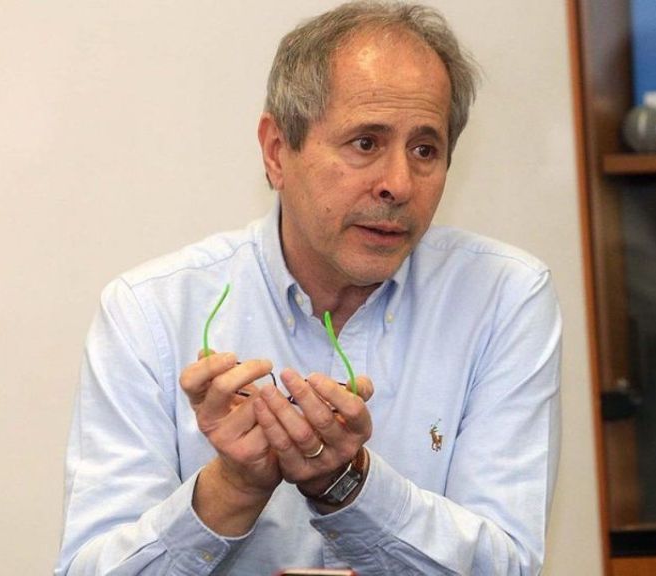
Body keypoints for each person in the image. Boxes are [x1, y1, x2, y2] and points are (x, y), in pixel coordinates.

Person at [54, 2, 561, 574]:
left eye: (425, 150)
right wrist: (232, 487)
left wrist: (349, 484)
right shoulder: (150, 312)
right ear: (277, 151)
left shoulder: (504, 299)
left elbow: (507, 566)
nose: (398, 184)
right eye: (365, 143)